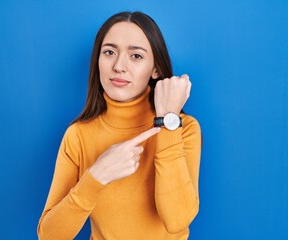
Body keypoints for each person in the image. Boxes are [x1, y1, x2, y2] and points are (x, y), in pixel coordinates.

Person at [37, 11, 202, 240]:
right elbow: (49, 236)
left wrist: (167, 123)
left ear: (156, 69)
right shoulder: (78, 135)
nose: (119, 66)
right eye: (109, 52)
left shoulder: (185, 129)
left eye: (136, 56)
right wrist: (96, 177)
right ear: (98, 60)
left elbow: (177, 220)